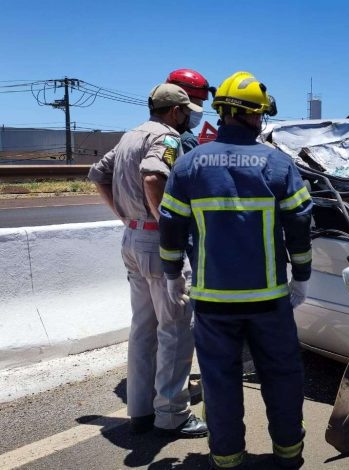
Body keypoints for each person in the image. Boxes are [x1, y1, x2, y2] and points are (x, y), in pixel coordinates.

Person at [158, 71, 312, 469]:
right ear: (253, 115)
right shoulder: (278, 164)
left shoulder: (190, 164)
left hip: (213, 301)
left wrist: (172, 272)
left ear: (223, 112)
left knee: (220, 383)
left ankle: (227, 459)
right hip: (269, 299)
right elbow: (299, 221)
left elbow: (170, 223)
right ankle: (288, 453)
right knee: (281, 377)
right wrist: (303, 277)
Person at [88, 83, 208, 438]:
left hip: (131, 239)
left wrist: (126, 216)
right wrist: (164, 224)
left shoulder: (130, 136)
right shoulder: (167, 137)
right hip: (156, 242)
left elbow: (97, 173)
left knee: (143, 327)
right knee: (175, 327)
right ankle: (172, 414)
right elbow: (154, 175)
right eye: (187, 111)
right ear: (175, 111)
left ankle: (140, 410)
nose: (189, 118)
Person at [166, 69, 213, 153]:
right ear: (177, 107)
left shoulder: (143, 132)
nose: (199, 113)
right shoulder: (186, 141)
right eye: (194, 107)